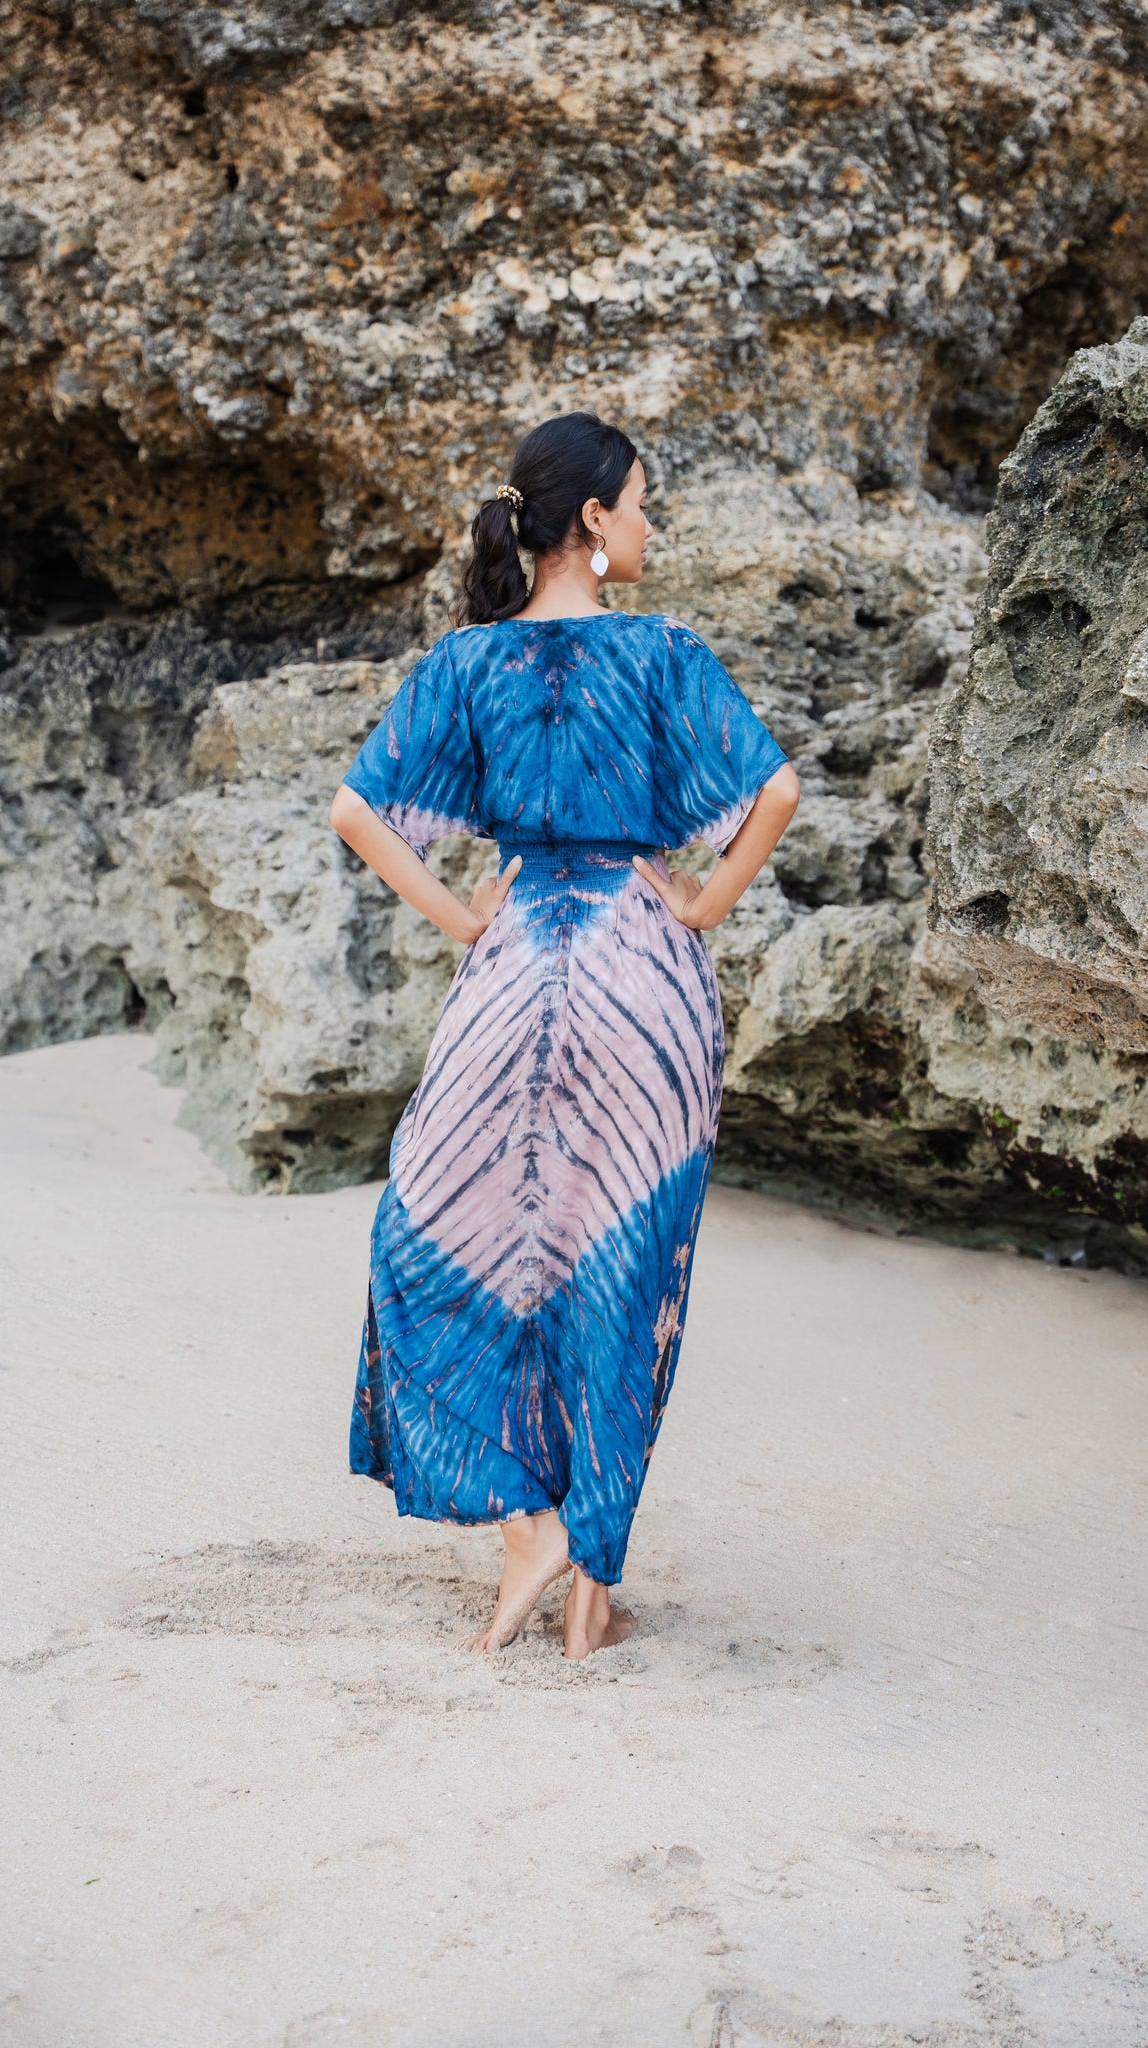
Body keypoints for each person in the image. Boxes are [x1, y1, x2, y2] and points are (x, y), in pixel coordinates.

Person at [329, 412, 800, 1660]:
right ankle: (585, 1573)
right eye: (640, 503)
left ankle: (541, 1535)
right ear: (591, 519)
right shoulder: (663, 650)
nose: (650, 525)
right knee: (620, 1268)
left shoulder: (467, 661)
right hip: (645, 977)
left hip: (518, 959)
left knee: (425, 1235)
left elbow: (358, 810)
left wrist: (459, 916)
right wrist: (703, 901)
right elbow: (776, 789)